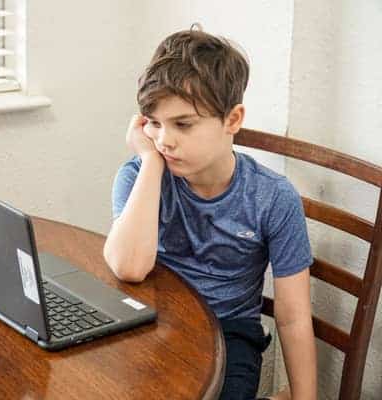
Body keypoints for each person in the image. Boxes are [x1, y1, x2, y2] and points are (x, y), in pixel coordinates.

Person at [103, 25, 317, 400]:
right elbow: (129, 267)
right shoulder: (139, 175)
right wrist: (151, 162)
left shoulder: (273, 198)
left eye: (182, 124)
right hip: (152, 323)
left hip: (229, 333)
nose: (165, 139)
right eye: (154, 123)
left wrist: (305, 397)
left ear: (232, 120)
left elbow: (294, 315)